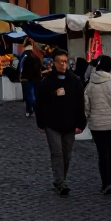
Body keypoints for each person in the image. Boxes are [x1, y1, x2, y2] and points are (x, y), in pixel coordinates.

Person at [35, 50, 86, 196]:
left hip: (69, 124)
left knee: (66, 154)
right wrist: (41, 123)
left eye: (65, 61)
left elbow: (80, 104)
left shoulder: (75, 81)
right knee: (57, 153)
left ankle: (61, 179)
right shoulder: (47, 82)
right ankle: (61, 182)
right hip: (52, 123)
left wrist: (81, 123)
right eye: (60, 62)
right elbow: (40, 103)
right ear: (54, 63)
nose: (63, 64)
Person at [84, 56, 111, 194]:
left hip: (97, 125)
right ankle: (110, 180)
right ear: (110, 69)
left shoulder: (90, 85)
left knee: (102, 153)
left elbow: (86, 106)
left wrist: (84, 121)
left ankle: (105, 182)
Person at [19, 44, 43, 118]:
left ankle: (29, 110)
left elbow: (21, 67)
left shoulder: (24, 56)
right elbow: (40, 67)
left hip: (28, 79)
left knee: (29, 95)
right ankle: (35, 110)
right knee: (35, 95)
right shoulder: (36, 57)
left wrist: (21, 75)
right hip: (36, 79)